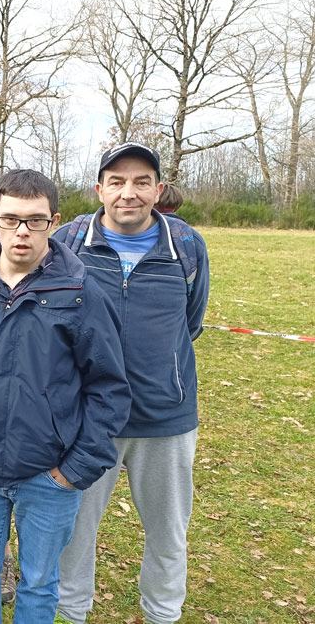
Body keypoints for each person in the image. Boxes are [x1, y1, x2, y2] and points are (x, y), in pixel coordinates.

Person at [0, 169, 130, 623]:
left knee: (39, 581)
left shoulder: (80, 293)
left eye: (35, 220)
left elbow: (109, 389)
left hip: (50, 473)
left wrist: (73, 470)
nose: (22, 232)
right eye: (11, 219)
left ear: (53, 221)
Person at [55, 143, 210, 624]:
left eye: (142, 181)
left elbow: (192, 321)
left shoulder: (185, 246)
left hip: (165, 420)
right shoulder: (68, 243)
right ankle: (70, 611)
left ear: (158, 190)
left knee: (168, 531)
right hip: (86, 421)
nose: (129, 193)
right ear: (99, 189)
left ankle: (163, 613)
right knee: (73, 530)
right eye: (117, 182)